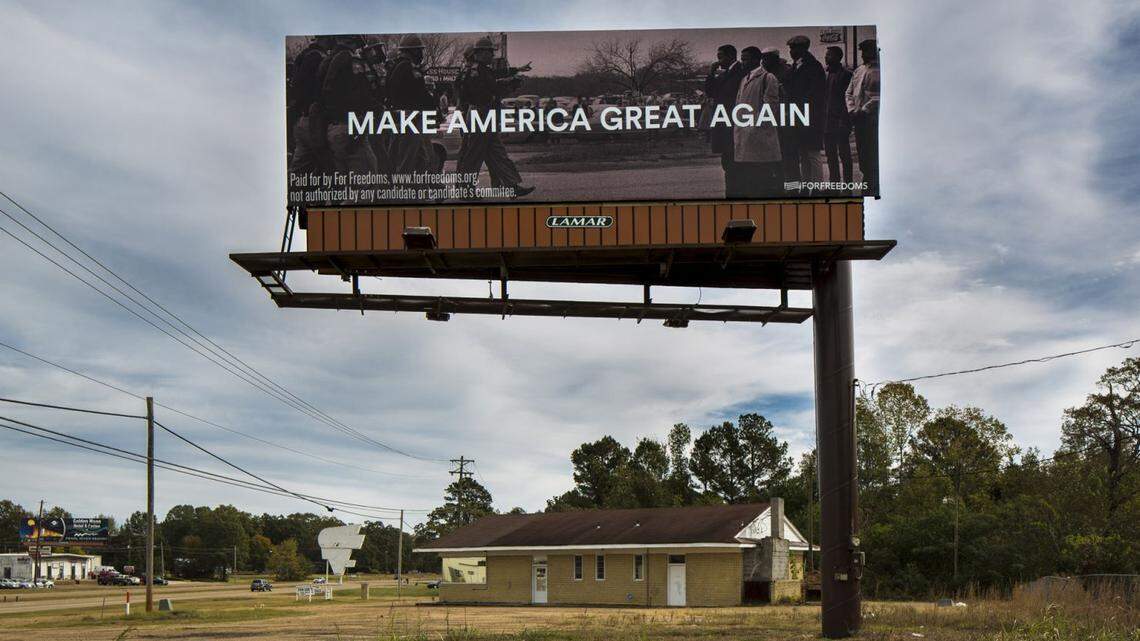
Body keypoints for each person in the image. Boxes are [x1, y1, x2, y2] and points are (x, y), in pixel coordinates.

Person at [455, 36, 535, 197]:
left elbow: (494, 78)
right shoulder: (476, 71)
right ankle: (465, 189)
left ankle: (511, 186)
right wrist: (510, 84)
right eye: (490, 52)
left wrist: (514, 73)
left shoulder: (481, 69)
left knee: (498, 153)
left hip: (484, 114)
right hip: (481, 113)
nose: (492, 55)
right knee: (474, 154)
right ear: (480, 53)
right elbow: (488, 91)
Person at [319, 35, 379, 180]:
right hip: (350, 127)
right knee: (367, 183)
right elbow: (361, 94)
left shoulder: (327, 60)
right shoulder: (351, 60)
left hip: (334, 127)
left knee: (347, 185)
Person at [733, 46, 782, 197]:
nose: (742, 62)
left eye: (746, 59)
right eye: (742, 59)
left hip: (759, 135)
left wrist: (755, 126)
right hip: (744, 132)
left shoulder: (768, 78)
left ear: (756, 59)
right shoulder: (744, 79)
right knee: (749, 177)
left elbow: (771, 106)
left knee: (762, 176)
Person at [386, 34, 437, 175]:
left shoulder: (394, 68)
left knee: (421, 158)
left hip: (399, 116)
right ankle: (403, 194)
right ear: (413, 51)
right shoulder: (409, 68)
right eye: (419, 50)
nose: (421, 54)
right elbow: (421, 95)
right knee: (407, 161)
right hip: (410, 118)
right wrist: (433, 103)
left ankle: (425, 189)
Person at [782, 35, 826, 185]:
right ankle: (808, 185)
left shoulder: (813, 66)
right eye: (791, 48)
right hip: (799, 115)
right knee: (804, 153)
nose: (791, 51)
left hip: (810, 116)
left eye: (793, 48)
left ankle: (817, 186)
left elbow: (815, 94)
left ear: (803, 48)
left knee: (812, 153)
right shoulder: (796, 66)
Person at [704, 44, 747, 198]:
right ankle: (733, 191)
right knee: (728, 161)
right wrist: (711, 73)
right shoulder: (725, 74)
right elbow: (710, 91)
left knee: (732, 161)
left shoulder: (739, 72)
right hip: (725, 121)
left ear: (731, 56)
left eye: (721, 56)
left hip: (732, 121)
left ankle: (735, 193)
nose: (718, 60)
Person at [289, 36, 334, 175]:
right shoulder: (318, 58)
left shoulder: (303, 56)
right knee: (330, 168)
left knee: (299, 170)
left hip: (301, 119)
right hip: (314, 121)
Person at [846, 39, 880, 195]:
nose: (864, 54)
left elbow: (878, 96)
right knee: (863, 153)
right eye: (862, 51)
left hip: (872, 120)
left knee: (872, 153)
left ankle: (872, 186)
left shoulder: (879, 71)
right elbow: (849, 93)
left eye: (866, 51)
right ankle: (867, 183)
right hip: (858, 119)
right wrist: (852, 109)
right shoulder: (859, 70)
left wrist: (865, 109)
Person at [760, 47, 799, 184]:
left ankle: (793, 188)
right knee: (776, 157)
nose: (763, 61)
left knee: (789, 156)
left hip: (785, 118)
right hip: (774, 119)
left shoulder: (786, 72)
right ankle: (781, 186)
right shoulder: (766, 73)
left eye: (766, 58)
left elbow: (790, 95)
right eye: (762, 58)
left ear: (774, 58)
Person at [823, 46, 853, 188]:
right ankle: (834, 182)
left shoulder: (846, 75)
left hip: (841, 121)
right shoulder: (826, 74)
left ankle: (848, 183)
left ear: (837, 57)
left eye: (829, 55)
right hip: (827, 122)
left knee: (845, 155)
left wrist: (844, 121)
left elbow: (848, 100)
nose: (826, 57)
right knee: (830, 155)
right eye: (826, 55)